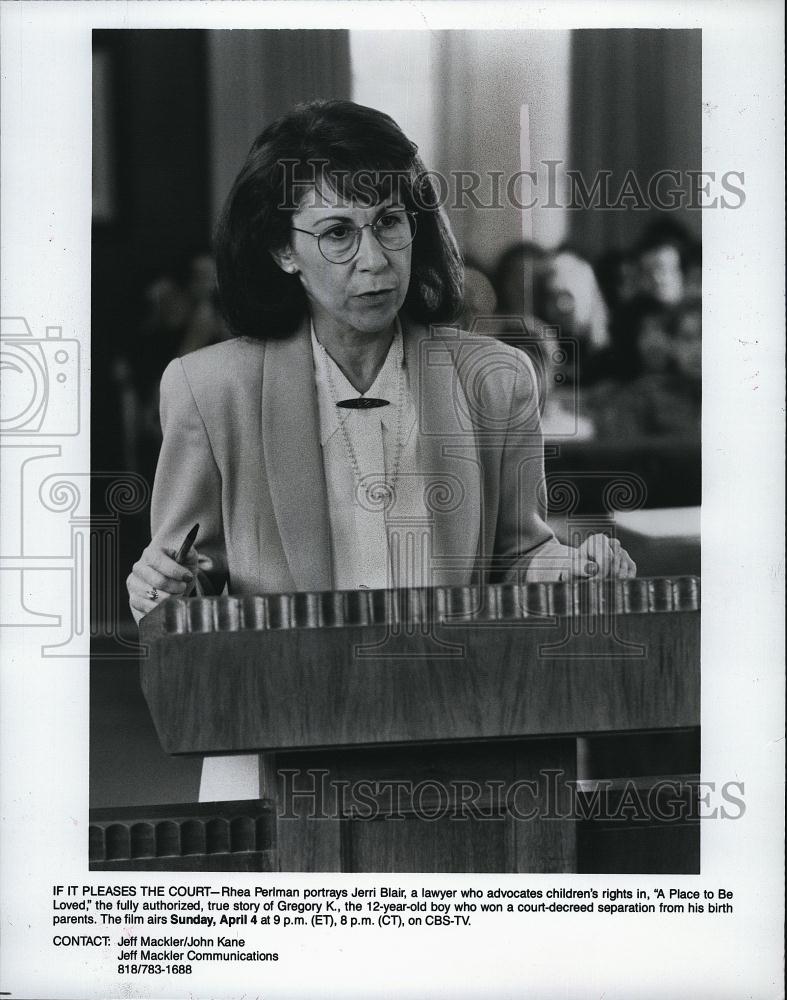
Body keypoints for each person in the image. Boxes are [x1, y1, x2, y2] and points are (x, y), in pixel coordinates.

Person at [126, 100, 635, 797]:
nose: (374, 261)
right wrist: (164, 588)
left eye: (389, 224)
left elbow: (518, 554)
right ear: (282, 249)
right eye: (336, 233)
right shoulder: (210, 388)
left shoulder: (493, 379)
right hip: (280, 736)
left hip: (457, 733)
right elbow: (192, 580)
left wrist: (572, 570)